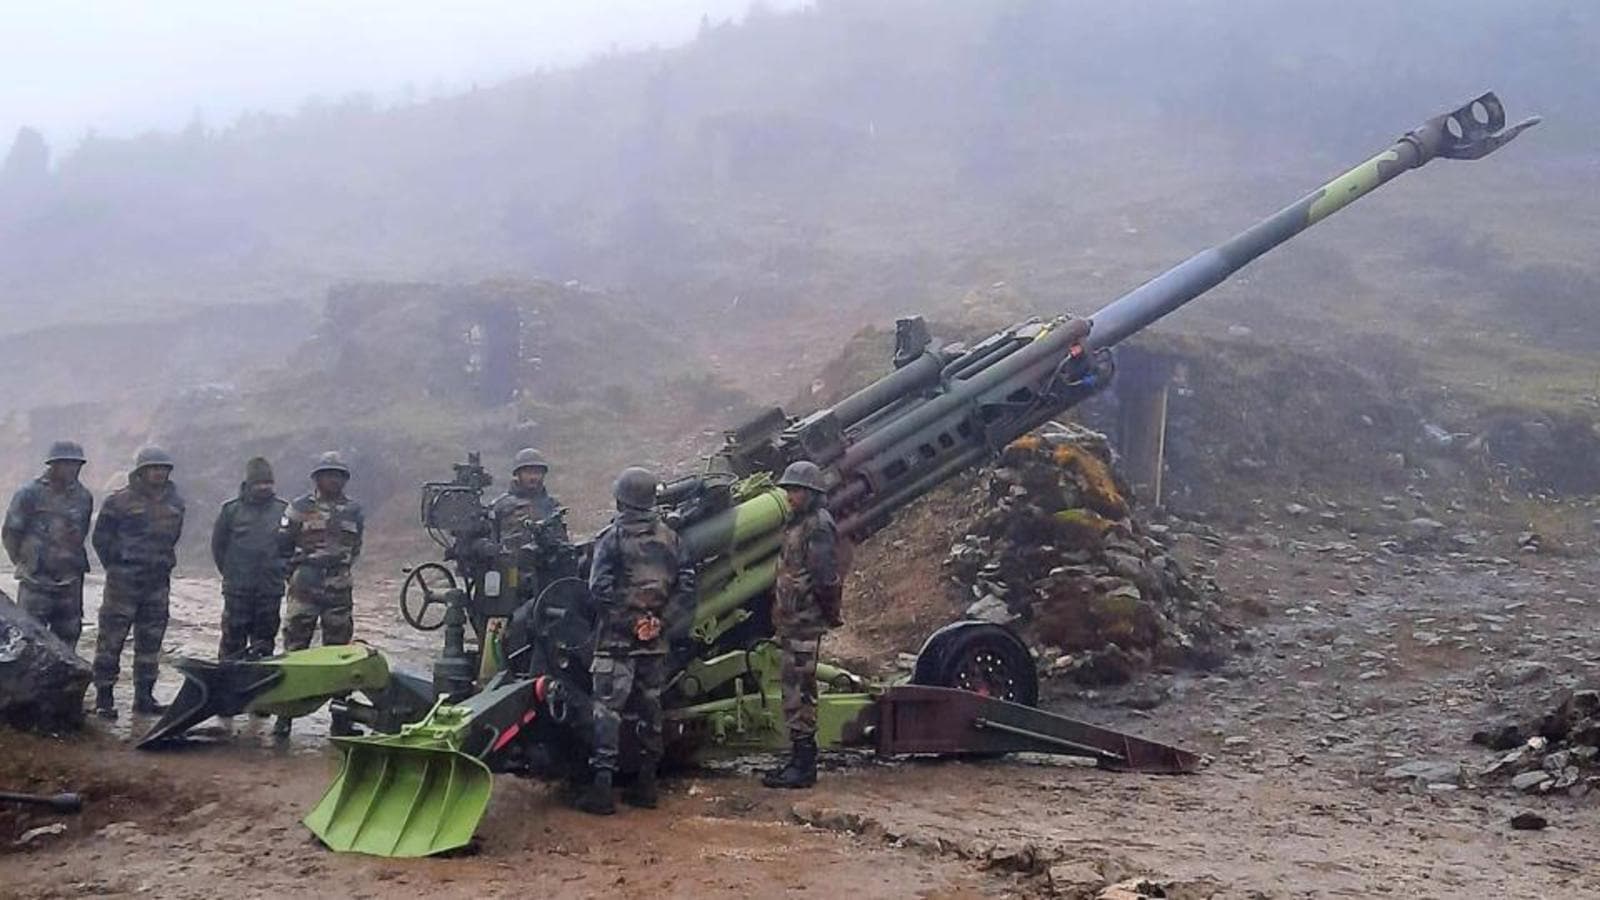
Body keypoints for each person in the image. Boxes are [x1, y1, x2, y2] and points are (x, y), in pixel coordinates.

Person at [577, 466, 695, 815]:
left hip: (616, 642)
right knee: (650, 710)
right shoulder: (671, 538)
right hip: (654, 643)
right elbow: (687, 586)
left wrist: (630, 623)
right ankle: (647, 785)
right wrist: (658, 623)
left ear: (621, 500)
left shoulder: (611, 538)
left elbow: (598, 589)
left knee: (607, 711)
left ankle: (602, 790)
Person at [763, 460, 844, 790]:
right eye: (788, 490)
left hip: (804, 623)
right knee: (793, 690)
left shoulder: (818, 526)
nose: (789, 496)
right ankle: (797, 759)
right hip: (793, 621)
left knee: (800, 693)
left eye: (795, 490)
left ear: (811, 493)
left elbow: (826, 579)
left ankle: (804, 765)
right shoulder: (799, 523)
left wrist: (828, 613)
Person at [91, 446, 186, 719]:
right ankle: (104, 697)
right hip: (123, 583)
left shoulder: (176, 503)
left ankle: (144, 697)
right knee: (111, 640)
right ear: (141, 471)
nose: (159, 473)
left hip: (157, 583)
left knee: (151, 643)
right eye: (153, 468)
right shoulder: (118, 501)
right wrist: (119, 564)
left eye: (163, 468)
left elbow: (173, 537)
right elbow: (101, 539)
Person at [275, 452, 363, 736]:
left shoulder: (354, 510)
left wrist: (340, 571)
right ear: (317, 478)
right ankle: (284, 716)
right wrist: (295, 574)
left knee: (340, 654)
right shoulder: (299, 507)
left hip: (339, 589)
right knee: (295, 649)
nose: (333, 480)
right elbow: (282, 546)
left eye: (338, 475)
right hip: (305, 585)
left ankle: (340, 718)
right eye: (328, 474)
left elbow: (355, 548)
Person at [3, 441, 94, 649]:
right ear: (53, 465)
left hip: (70, 580)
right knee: (28, 638)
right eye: (66, 464)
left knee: (68, 637)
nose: (72, 469)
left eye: (76, 464)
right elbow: (11, 533)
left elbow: (82, 532)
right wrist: (26, 561)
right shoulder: (29, 494)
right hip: (36, 581)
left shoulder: (83, 496)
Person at [211, 457, 288, 661]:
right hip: (238, 591)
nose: (264, 487)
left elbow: (290, 546)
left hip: (270, 590)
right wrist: (232, 574)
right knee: (232, 642)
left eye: (268, 483)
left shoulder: (284, 510)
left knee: (264, 643)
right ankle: (227, 678)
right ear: (248, 484)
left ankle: (259, 681)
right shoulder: (231, 510)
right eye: (259, 483)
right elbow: (218, 546)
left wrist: (280, 571)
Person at [491, 447, 567, 595]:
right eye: (528, 472)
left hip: (545, 577)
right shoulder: (501, 506)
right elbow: (492, 541)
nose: (533, 477)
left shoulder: (552, 506)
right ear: (518, 474)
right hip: (509, 577)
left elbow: (562, 542)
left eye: (537, 472)